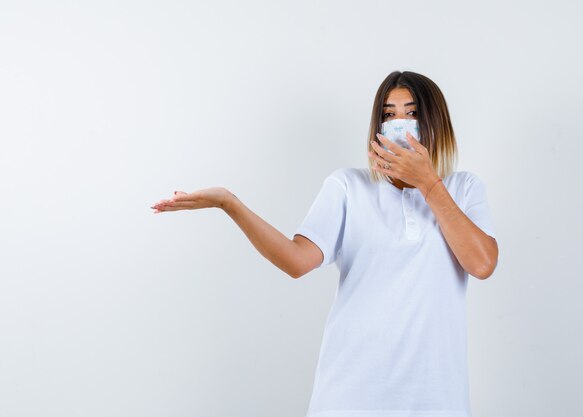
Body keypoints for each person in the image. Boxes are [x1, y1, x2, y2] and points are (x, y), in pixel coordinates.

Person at [150, 70, 499, 417]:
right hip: (350, 395)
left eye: (412, 113)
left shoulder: (463, 190)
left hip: (435, 398)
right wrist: (230, 203)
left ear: (435, 123)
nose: (400, 123)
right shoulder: (348, 187)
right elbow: (296, 261)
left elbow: (481, 264)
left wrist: (428, 183)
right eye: (389, 115)